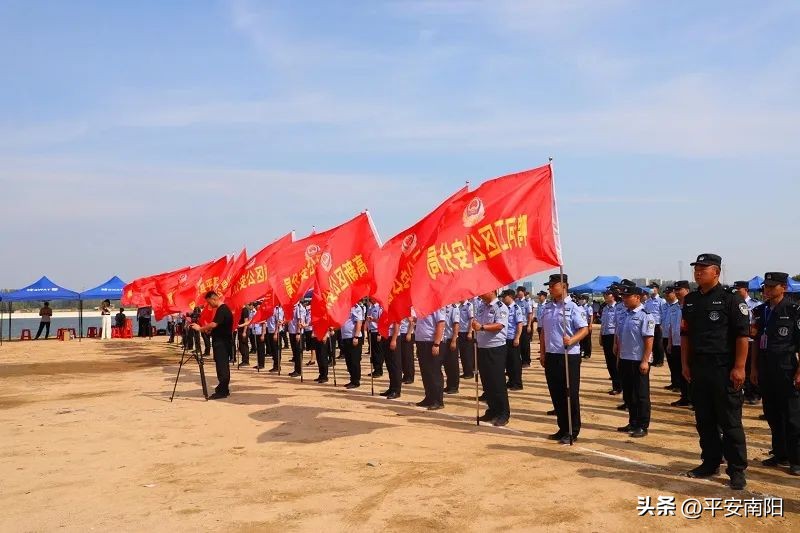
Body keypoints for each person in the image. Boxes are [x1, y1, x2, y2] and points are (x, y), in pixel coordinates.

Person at [681, 253, 750, 490]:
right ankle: (710, 462)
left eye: (703, 268)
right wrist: (685, 364)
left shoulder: (731, 300)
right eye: (696, 269)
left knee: (730, 421)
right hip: (699, 368)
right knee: (704, 420)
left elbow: (743, 336)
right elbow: (686, 335)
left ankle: (737, 470)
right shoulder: (690, 300)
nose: (698, 272)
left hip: (724, 369)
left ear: (717, 272)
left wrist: (740, 367)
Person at [751, 272, 800, 476]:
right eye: (766, 286)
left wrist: (799, 372)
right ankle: (780, 453)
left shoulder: (794, 310)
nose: (767, 290)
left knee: (792, 417)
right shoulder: (760, 311)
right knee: (772, 414)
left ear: (784, 288)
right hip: (766, 368)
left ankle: (796, 459)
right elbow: (754, 341)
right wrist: (753, 368)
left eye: (772, 286)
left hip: (787, 369)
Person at [539, 274, 589, 444]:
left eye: (553, 285)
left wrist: (572, 340)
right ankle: (562, 427)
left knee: (570, 394)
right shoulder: (547, 308)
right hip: (552, 355)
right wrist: (543, 352)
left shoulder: (574, 307)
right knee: (556, 394)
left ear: (564, 285)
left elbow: (584, 329)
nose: (550, 288)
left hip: (569, 356)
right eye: (549, 286)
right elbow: (543, 332)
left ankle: (572, 430)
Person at [615, 285, 655, 438]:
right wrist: (619, 357)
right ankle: (632, 421)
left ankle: (642, 426)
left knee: (641, 395)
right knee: (629, 394)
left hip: (638, 360)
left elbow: (649, 340)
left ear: (637, 298)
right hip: (626, 359)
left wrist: (645, 361)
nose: (624, 299)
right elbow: (622, 338)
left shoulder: (646, 315)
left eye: (627, 296)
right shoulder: (625, 314)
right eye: (623, 296)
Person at [471, 290, 510, 426]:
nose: (480, 293)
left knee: (497, 382)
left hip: (495, 348)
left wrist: (482, 327)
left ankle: (503, 413)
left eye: (483, 290)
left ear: (492, 290)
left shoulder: (500, 307)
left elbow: (500, 325)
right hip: (482, 347)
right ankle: (492, 410)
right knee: (487, 382)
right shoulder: (481, 306)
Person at [190, 291, 233, 400]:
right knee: (222, 366)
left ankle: (222, 391)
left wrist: (200, 328)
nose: (210, 305)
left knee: (222, 367)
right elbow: (217, 327)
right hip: (221, 341)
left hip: (222, 343)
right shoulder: (221, 309)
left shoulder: (222, 309)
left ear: (214, 299)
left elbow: (214, 324)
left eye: (209, 302)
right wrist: (210, 331)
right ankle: (223, 389)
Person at [734, 281, 761, 405]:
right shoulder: (734, 303)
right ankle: (743, 392)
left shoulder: (755, 304)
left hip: (751, 341)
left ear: (745, 290)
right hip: (738, 340)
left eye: (738, 289)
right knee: (740, 367)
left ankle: (754, 394)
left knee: (752, 368)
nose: (736, 291)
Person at [414, 308, 446, 410]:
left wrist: (436, 343)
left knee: (434, 372)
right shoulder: (422, 307)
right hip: (421, 342)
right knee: (425, 372)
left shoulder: (436, 307)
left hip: (431, 342)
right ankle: (429, 397)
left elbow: (441, 324)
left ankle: (437, 400)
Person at [501, 289, 525, 391]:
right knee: (508, 362)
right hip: (504, 338)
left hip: (512, 338)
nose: (502, 298)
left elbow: (519, 324)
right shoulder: (504, 308)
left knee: (515, 362)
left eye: (504, 296)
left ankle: (517, 383)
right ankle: (510, 381)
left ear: (510, 296)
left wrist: (517, 338)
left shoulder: (516, 308)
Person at [662, 287, 684, 395]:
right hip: (668, 337)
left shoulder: (680, 306)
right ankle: (675, 382)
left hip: (681, 340)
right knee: (672, 362)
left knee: (680, 364)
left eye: (668, 293)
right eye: (665, 293)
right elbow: (670, 324)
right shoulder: (669, 307)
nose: (666, 295)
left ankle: (680, 384)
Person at [599, 289, 621, 395]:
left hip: (613, 336)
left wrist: (616, 341)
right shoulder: (605, 309)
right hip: (605, 336)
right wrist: (600, 336)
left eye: (608, 294)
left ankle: (618, 385)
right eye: (605, 294)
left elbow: (618, 325)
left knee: (614, 362)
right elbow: (603, 324)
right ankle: (615, 385)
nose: (605, 296)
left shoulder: (618, 308)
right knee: (609, 362)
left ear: (613, 296)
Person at [341, 303, 365, 389]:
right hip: (346, 337)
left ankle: (356, 381)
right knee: (349, 361)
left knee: (354, 361)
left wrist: (356, 336)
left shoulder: (356, 308)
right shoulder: (345, 307)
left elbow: (359, 322)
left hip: (353, 337)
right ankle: (352, 379)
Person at [442, 303, 461, 394]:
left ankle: (454, 386)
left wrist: (454, 340)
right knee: (446, 364)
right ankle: (449, 385)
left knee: (452, 364)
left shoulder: (454, 308)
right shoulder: (442, 307)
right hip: (443, 339)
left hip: (451, 339)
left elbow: (456, 325)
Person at [645, 283, 665, 366]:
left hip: (658, 324)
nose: (651, 290)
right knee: (651, 342)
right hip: (650, 324)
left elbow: (663, 313)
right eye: (649, 288)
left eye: (652, 288)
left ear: (657, 289)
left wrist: (662, 324)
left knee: (658, 343)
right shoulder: (648, 301)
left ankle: (660, 361)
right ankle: (654, 360)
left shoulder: (661, 301)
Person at [288, 300, 308, 378]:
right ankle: (296, 369)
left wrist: (298, 333)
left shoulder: (300, 308)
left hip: (297, 333)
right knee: (294, 353)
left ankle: (299, 370)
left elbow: (300, 321)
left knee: (298, 353)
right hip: (291, 332)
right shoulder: (292, 307)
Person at [457, 300, 475, 379]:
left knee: (468, 353)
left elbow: (471, 319)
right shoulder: (460, 306)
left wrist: (470, 332)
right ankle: (465, 372)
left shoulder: (469, 305)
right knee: (463, 354)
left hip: (467, 332)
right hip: (460, 332)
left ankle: (469, 373)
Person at [366, 299, 384, 378]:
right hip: (371, 331)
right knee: (373, 352)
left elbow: (382, 321)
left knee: (378, 352)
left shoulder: (379, 308)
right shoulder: (370, 307)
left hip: (377, 331)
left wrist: (380, 333)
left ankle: (379, 370)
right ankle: (375, 369)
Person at [515, 287, 533, 367]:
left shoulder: (527, 302)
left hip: (525, 326)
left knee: (525, 344)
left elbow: (529, 314)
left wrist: (529, 325)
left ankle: (526, 361)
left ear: (524, 292)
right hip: (517, 327)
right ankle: (520, 360)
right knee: (518, 344)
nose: (519, 293)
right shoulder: (516, 302)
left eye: (520, 291)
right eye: (518, 291)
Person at [266, 305, 284, 372]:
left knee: (276, 350)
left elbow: (278, 322)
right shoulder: (270, 309)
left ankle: (277, 366)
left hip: (276, 332)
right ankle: (275, 365)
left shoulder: (278, 310)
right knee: (273, 350)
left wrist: (276, 333)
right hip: (270, 331)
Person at [400, 311, 416, 384]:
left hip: (407, 333)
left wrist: (409, 333)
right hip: (401, 333)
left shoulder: (409, 309)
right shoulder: (401, 307)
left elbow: (412, 322)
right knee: (403, 356)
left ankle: (410, 376)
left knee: (408, 356)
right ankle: (406, 375)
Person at [578, 294, 594, 360]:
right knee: (581, 339)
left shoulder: (588, 307)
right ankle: (582, 352)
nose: (581, 300)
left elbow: (591, 316)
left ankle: (587, 353)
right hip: (581, 325)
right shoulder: (579, 307)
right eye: (580, 299)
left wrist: (590, 325)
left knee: (587, 340)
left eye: (582, 299)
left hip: (587, 324)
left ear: (586, 300)